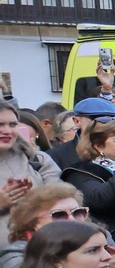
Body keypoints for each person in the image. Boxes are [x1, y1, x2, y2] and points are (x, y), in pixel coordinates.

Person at [0, 103, 61, 243]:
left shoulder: (36, 160)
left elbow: (61, 202)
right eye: (0, 124)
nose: (7, 131)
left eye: (12, 124)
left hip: (40, 249)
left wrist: (34, 198)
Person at [0, 184, 86, 268]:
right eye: (59, 215)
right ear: (32, 222)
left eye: (78, 212)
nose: (72, 220)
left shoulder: (99, 242)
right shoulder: (17, 258)